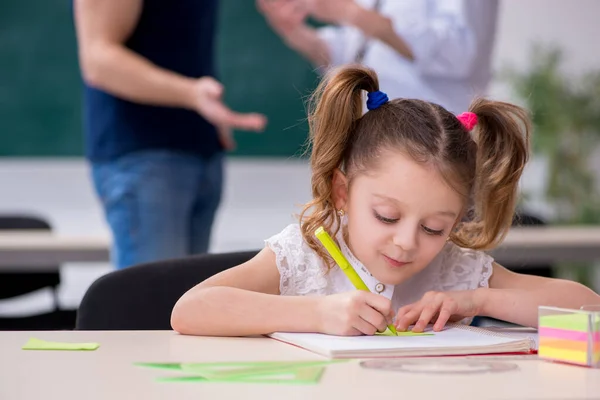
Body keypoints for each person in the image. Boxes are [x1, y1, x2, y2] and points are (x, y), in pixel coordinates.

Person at [171, 65, 600, 337]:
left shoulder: (457, 271)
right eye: (387, 216)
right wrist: (317, 314)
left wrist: (479, 301)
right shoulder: (311, 252)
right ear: (343, 192)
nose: (406, 242)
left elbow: (590, 311)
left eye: (435, 227)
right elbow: (191, 311)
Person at [73, 0, 267, 269]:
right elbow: (97, 59)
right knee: (152, 303)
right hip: (142, 155)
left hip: (199, 149)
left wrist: (206, 105)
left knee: (182, 297)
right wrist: (191, 94)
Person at [257, 0, 499, 113]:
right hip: (372, 138)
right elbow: (355, 53)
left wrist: (348, 11)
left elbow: (459, 54)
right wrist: (296, 34)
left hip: (433, 140)